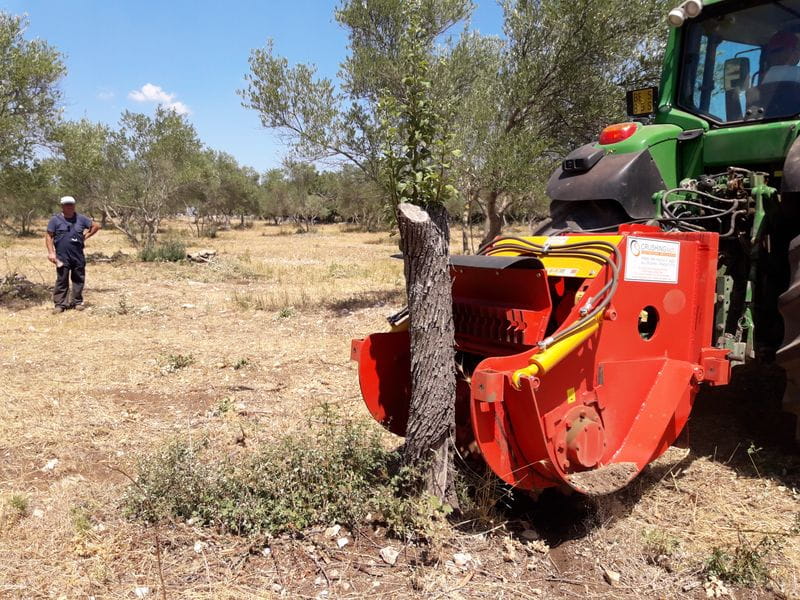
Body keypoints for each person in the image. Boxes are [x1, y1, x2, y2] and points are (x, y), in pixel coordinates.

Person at [45, 196, 100, 314]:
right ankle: (60, 304)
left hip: (78, 255)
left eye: (71, 204)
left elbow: (96, 226)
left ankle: (77, 302)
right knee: (62, 279)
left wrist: (85, 237)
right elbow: (49, 236)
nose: (69, 207)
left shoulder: (81, 219)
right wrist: (51, 252)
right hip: (61, 256)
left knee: (78, 278)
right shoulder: (55, 220)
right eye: (66, 205)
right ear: (62, 206)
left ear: (74, 205)